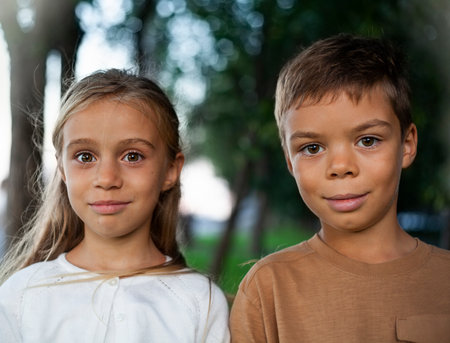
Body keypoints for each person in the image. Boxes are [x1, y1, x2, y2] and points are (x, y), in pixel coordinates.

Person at [230, 34, 450, 342]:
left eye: (368, 140)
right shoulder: (268, 289)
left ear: (407, 145)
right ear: (290, 162)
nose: (340, 167)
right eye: (312, 147)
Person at [0, 69, 230, 342]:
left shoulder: (201, 303)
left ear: (170, 170)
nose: (107, 179)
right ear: (62, 168)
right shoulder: (22, 294)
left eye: (132, 156)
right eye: (85, 156)